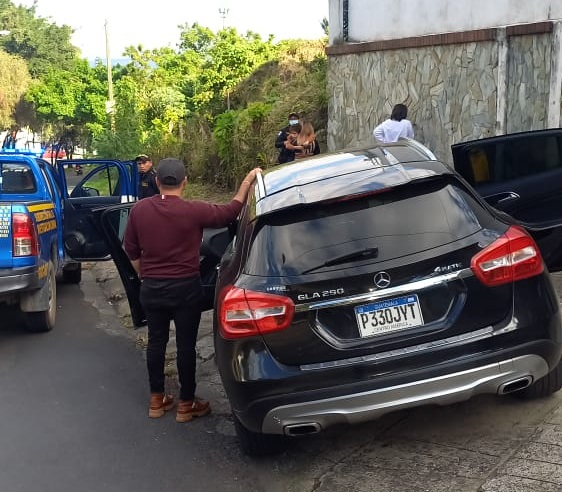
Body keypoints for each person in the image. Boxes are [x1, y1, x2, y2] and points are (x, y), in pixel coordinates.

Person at [123, 157, 261, 422]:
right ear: (185, 182)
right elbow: (230, 212)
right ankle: (187, 403)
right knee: (186, 346)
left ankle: (156, 399)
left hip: (152, 289)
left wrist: (145, 275)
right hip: (186, 288)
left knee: (156, 341)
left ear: (156, 181)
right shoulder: (194, 210)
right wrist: (247, 182)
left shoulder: (139, 211)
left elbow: (130, 250)